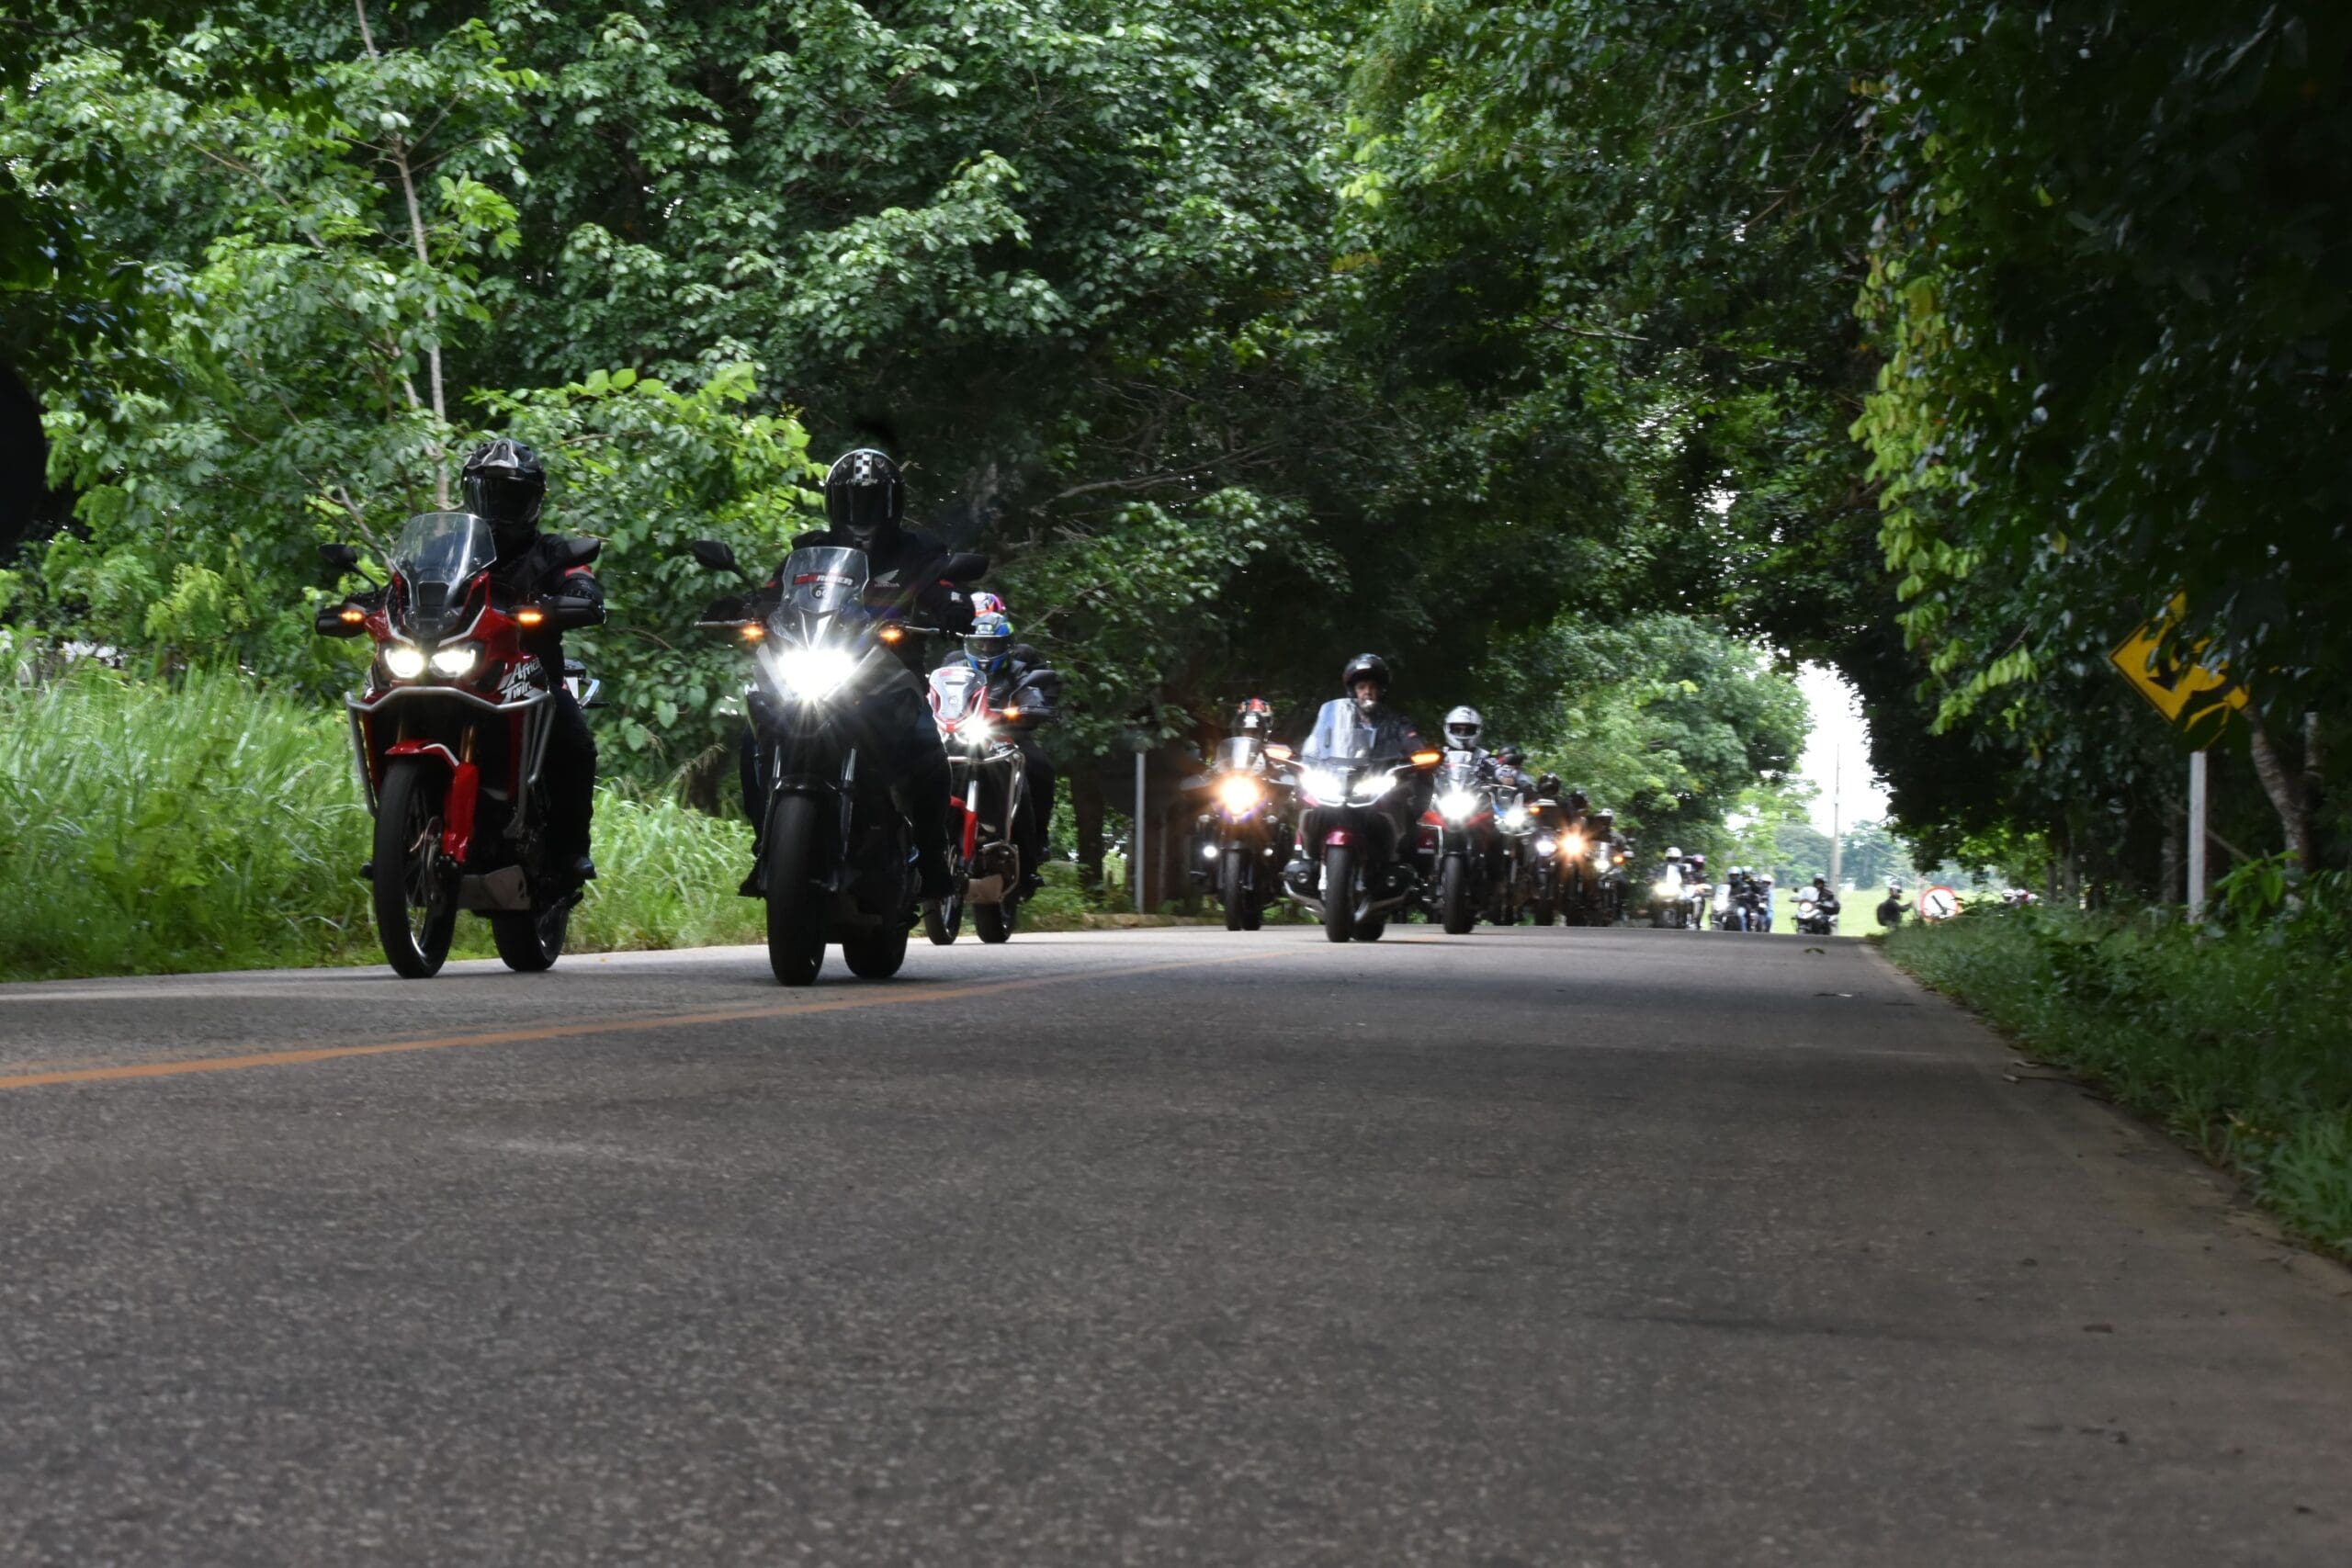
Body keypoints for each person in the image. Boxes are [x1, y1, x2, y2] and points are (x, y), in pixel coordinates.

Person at [740, 447, 973, 897]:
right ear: (833, 502)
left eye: (871, 500)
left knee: (927, 748)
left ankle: (930, 853)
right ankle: (766, 847)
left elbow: (943, 586)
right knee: (752, 737)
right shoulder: (809, 550)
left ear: (893, 503)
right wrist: (743, 607)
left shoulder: (918, 551)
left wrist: (954, 608)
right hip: (816, 666)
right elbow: (772, 593)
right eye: (850, 500)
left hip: (888, 675)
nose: (860, 511)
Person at [462, 438, 603, 889]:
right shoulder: (456, 553)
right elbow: (407, 585)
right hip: (460, 675)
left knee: (576, 743)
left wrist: (580, 596)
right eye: (489, 494)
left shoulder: (552, 552)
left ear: (533, 502)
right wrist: (369, 602)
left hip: (533, 676)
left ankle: (570, 852)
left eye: (511, 496)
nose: (498, 507)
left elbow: (581, 581)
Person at [963, 608, 1061, 897]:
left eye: (991, 644)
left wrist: (1032, 708)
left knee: (1040, 768)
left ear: (1006, 646)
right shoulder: (954, 665)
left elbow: (1039, 691)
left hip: (1008, 737)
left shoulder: (1019, 669)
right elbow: (935, 691)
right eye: (978, 644)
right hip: (959, 739)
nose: (983, 649)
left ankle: (1035, 846)